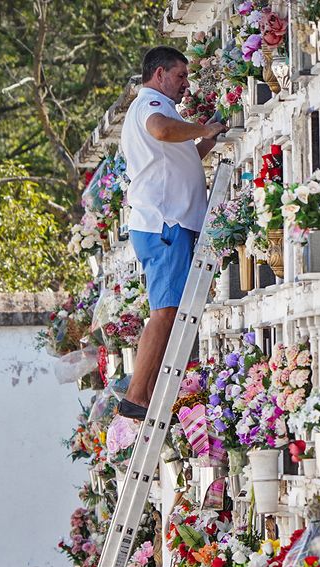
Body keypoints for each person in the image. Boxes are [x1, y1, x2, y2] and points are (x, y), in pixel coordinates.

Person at [117, 45, 226, 419]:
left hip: (168, 222)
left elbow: (179, 162)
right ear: (159, 74)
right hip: (165, 223)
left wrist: (207, 140)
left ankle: (145, 392)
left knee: (170, 310)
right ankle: (136, 395)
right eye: (180, 75)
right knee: (164, 312)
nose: (186, 84)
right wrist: (203, 128)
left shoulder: (161, 109)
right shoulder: (151, 105)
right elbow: (162, 131)